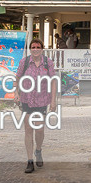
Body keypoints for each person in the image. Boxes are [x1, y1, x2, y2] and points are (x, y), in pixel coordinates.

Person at [17, 38, 57, 173]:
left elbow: (53, 81)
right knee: (28, 130)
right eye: (33, 47)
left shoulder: (47, 63)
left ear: (42, 49)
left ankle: (38, 150)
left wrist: (53, 100)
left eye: (38, 47)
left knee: (39, 129)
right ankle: (29, 161)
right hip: (26, 99)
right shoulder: (25, 62)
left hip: (42, 100)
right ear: (30, 49)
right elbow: (17, 78)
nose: (35, 49)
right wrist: (16, 92)